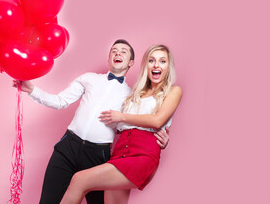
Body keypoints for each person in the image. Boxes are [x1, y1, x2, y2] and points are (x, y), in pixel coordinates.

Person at [14, 40, 170, 204]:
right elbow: (60, 101)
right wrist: (32, 90)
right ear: (109, 58)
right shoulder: (88, 78)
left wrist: (162, 140)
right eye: (114, 51)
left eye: (123, 51)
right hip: (67, 148)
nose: (118, 53)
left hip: (98, 156)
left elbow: (135, 126)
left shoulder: (133, 97)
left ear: (131, 62)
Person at [59, 44, 182, 204]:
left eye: (162, 61)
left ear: (168, 66)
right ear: (146, 65)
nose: (156, 65)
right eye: (151, 60)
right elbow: (120, 126)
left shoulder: (173, 91)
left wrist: (122, 117)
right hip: (120, 152)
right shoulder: (136, 94)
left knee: (79, 180)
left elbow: (157, 120)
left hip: (142, 156)